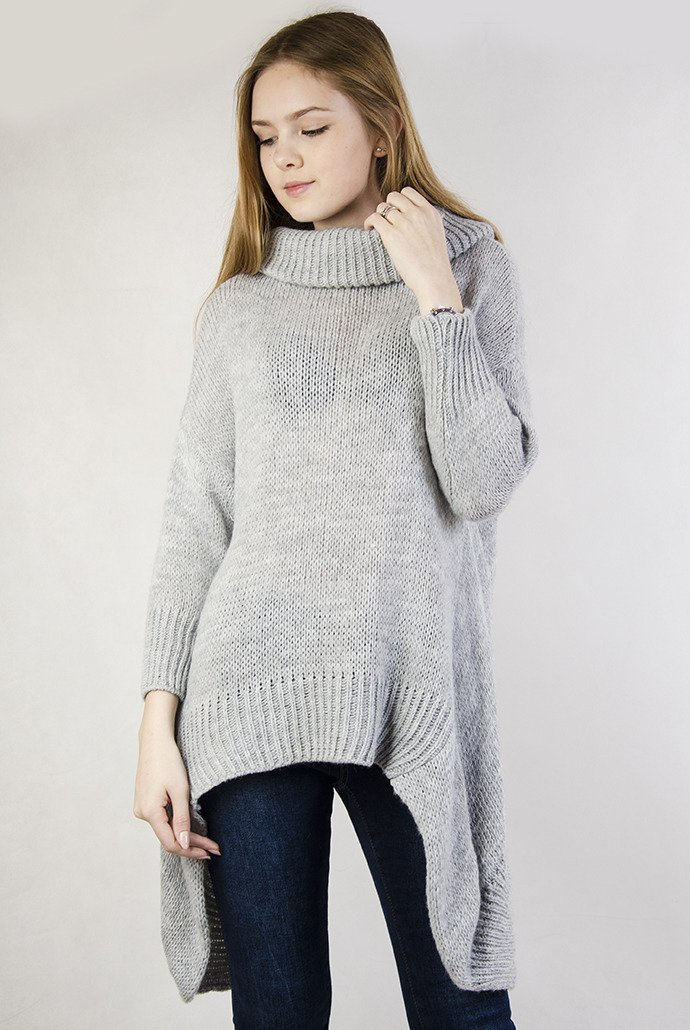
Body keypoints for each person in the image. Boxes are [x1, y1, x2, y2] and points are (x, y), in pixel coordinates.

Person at [133, 10, 538, 1029]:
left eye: (311, 128)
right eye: (266, 137)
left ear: (382, 124)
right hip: (246, 691)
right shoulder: (242, 308)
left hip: (410, 692)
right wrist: (156, 726)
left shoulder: (473, 268)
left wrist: (433, 295)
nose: (285, 158)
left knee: (461, 1007)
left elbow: (483, 480)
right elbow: (195, 519)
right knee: (279, 1015)